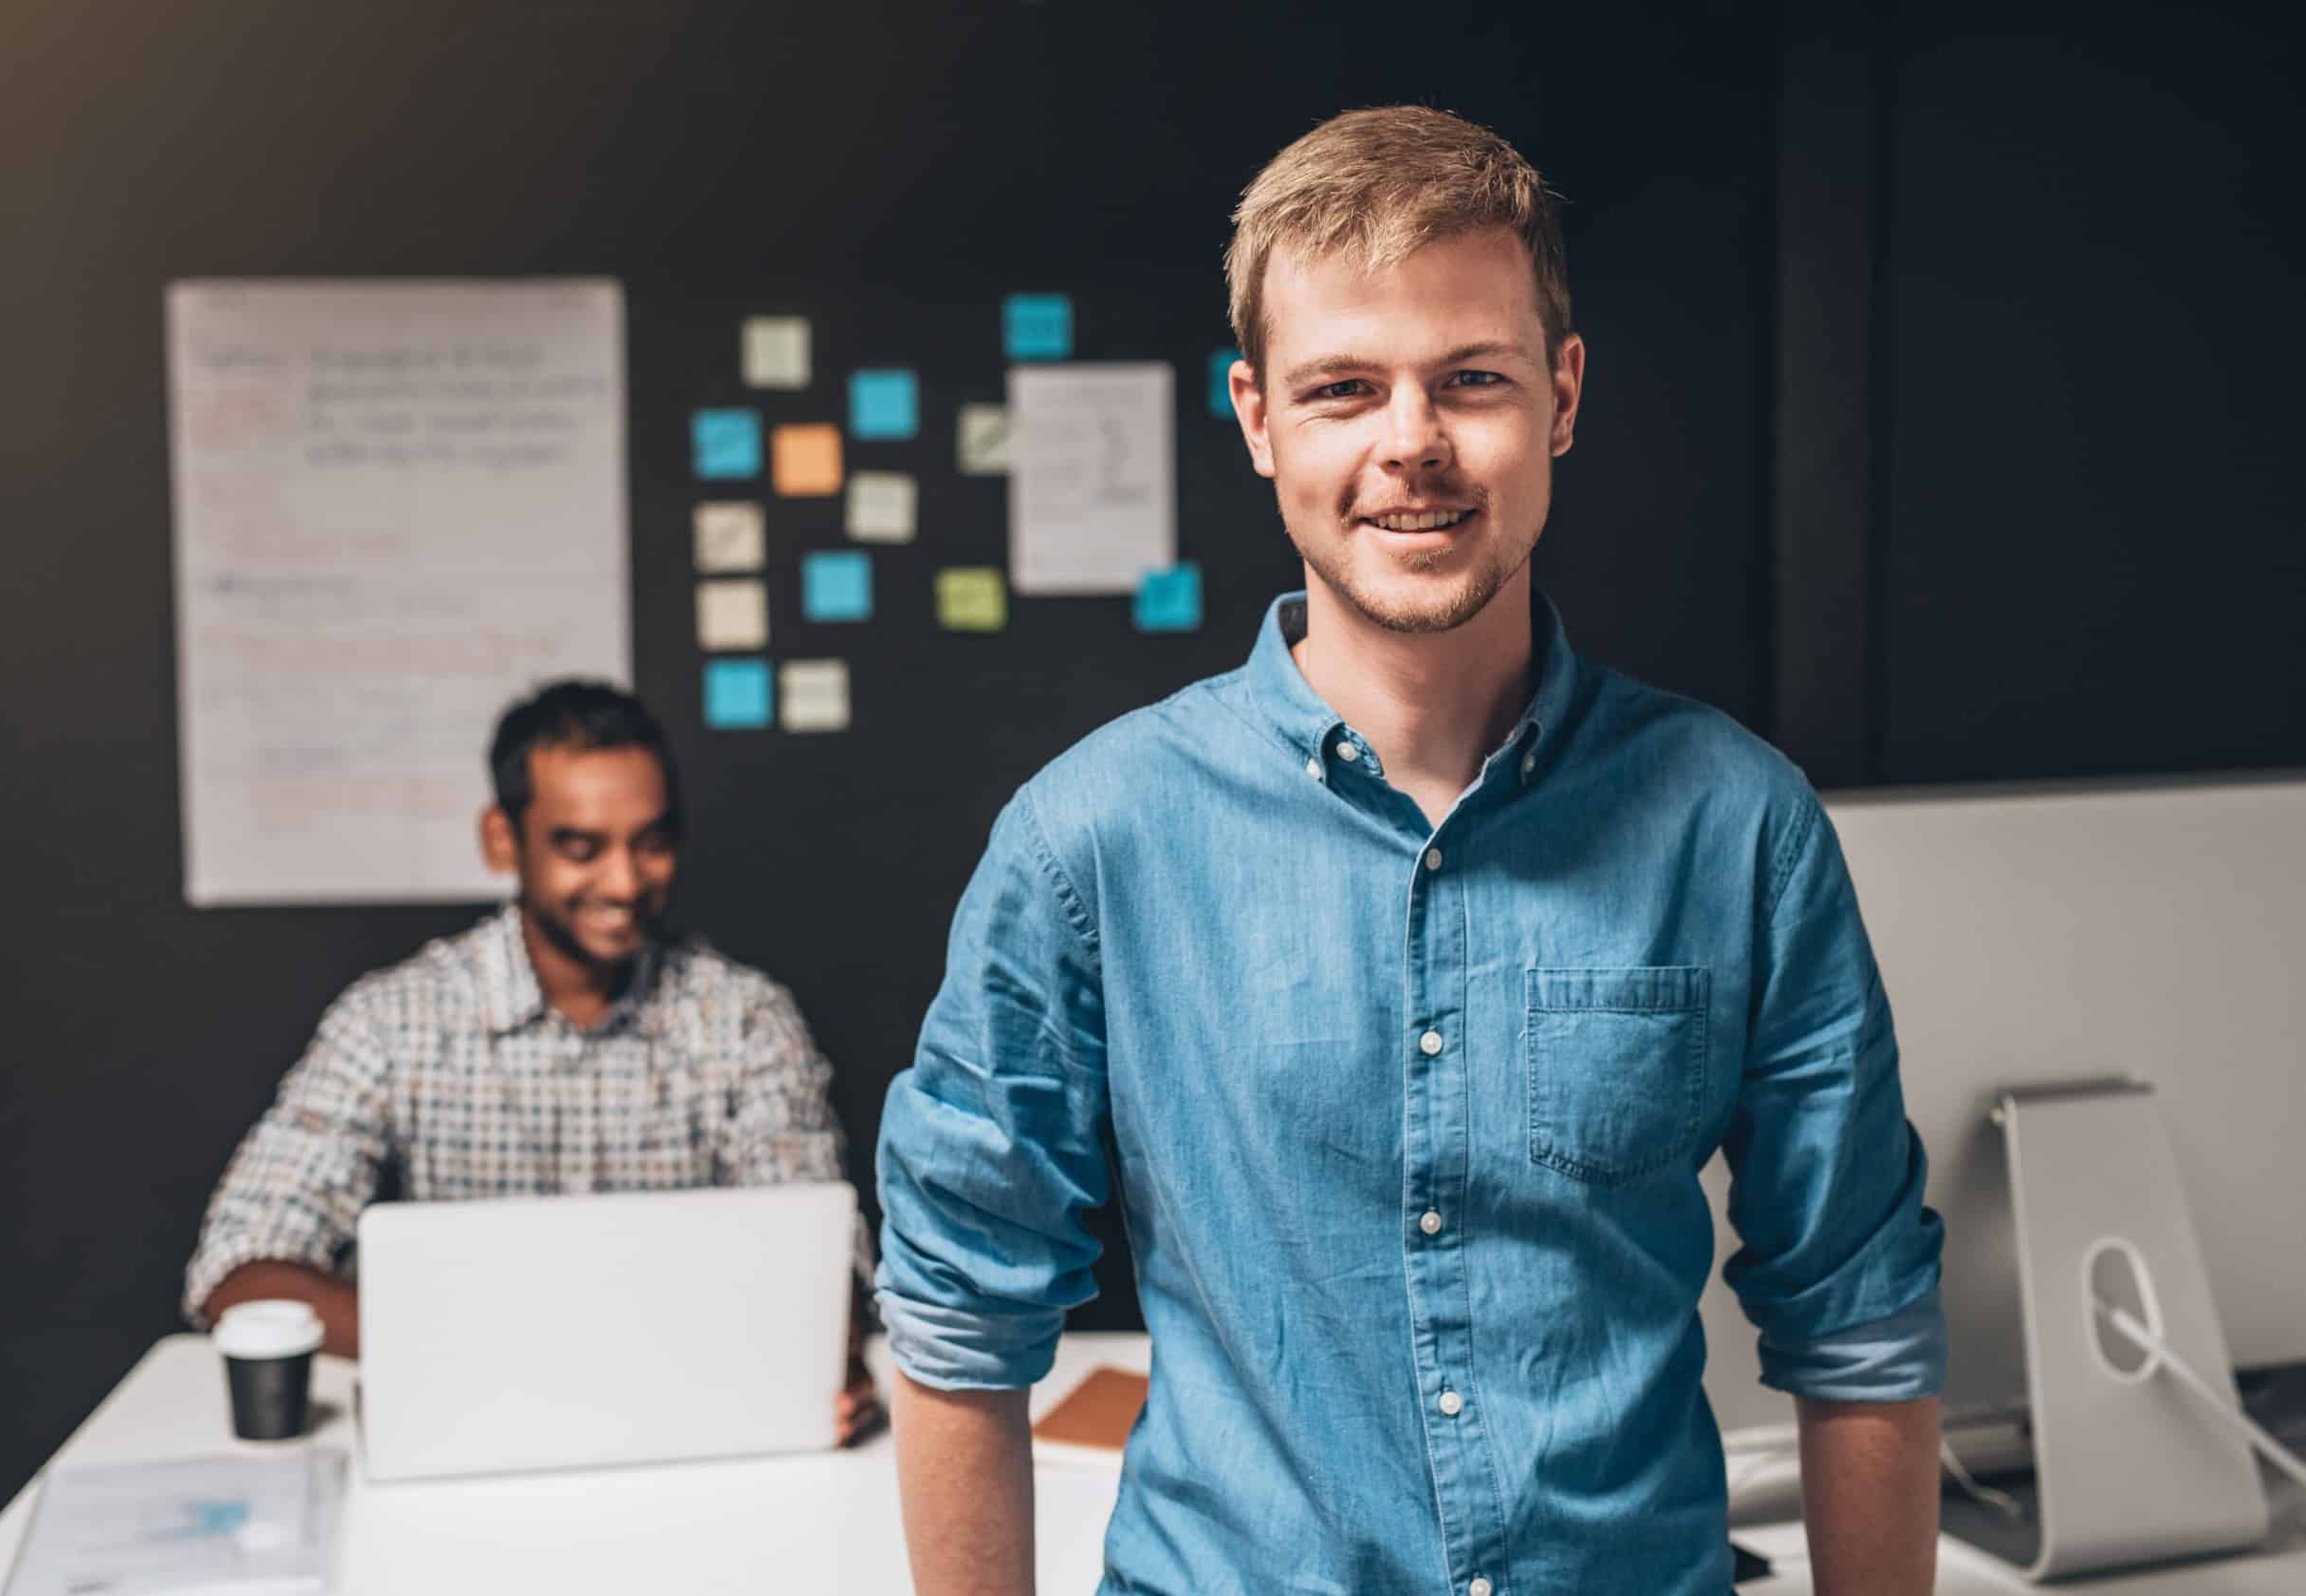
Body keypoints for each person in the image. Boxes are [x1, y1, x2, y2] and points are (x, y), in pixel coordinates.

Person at [876, 106, 1945, 1593]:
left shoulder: (1736, 824)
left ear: (1560, 395)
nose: (1409, 444)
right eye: (1340, 389)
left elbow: (1861, 1319)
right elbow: (954, 1318)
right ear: (1254, 419)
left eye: (1469, 380)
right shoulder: (1089, 840)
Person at [184, 680, 878, 1445]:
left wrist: (817, 1349)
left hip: (686, 1435)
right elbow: (239, 1267)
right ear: (501, 839)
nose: (622, 882)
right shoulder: (393, 1019)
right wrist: (510, 1354)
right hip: (466, 1434)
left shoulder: (746, 1019)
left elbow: (823, 1270)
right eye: (580, 847)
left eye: (650, 842)